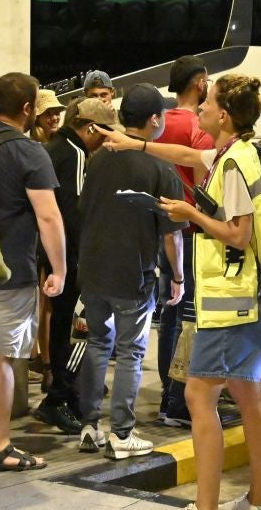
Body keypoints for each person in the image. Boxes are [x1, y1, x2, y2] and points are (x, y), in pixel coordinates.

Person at [150, 74, 261, 510]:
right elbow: (186, 155)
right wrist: (133, 145)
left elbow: (238, 234)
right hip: (249, 296)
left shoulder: (231, 166)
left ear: (224, 114)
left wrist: (190, 215)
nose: (199, 109)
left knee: (198, 395)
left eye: (206, 103)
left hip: (232, 299)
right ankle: (259, 501)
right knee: (248, 393)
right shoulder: (240, 154)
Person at [0, 73, 65, 472]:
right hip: (8, 271)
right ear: (27, 109)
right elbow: (48, 217)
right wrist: (59, 268)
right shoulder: (29, 152)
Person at [77, 85, 185, 459]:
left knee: (96, 343)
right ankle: (122, 433)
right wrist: (179, 276)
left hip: (91, 269)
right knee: (130, 352)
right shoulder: (160, 166)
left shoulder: (99, 158)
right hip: (132, 273)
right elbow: (172, 233)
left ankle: (89, 426)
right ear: (154, 120)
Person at [35, 97, 114, 433]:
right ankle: (58, 398)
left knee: (60, 323)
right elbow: (75, 210)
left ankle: (59, 393)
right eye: (104, 132)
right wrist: (80, 257)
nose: (107, 139)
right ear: (89, 127)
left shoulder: (49, 148)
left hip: (45, 251)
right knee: (77, 329)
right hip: (67, 255)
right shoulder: (76, 153)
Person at [153, 56, 214, 428]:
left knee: (169, 312)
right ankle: (177, 399)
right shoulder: (198, 127)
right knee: (189, 312)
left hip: (160, 226)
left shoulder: (160, 123)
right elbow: (203, 180)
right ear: (200, 83)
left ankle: (167, 394)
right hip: (191, 230)